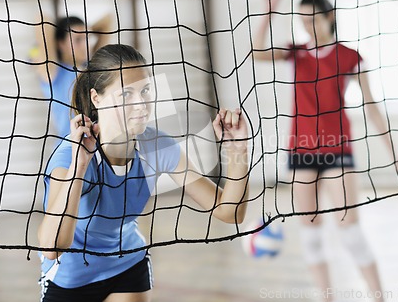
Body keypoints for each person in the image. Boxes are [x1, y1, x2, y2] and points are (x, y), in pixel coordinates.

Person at [37, 44, 250, 302]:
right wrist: (79, 167)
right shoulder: (68, 157)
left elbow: (229, 211)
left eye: (146, 90)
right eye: (126, 94)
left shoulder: (158, 146)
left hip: (126, 264)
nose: (141, 104)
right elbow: (51, 248)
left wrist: (237, 151)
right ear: (96, 98)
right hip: (70, 276)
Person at [253, 0, 398, 302]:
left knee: (350, 231)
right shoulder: (295, 52)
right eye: (302, 19)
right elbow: (257, 52)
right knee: (311, 233)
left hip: (337, 149)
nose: (307, 25)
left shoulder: (350, 57)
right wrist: (269, 10)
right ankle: (326, 298)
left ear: (330, 17)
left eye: (313, 18)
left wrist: (397, 159)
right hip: (300, 150)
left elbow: (372, 108)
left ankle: (378, 297)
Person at [31, 14, 112, 141]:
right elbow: (42, 20)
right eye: (78, 40)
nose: (86, 45)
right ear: (61, 44)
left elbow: (108, 19)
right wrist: (57, 35)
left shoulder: (90, 68)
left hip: (95, 146)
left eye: (87, 38)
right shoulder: (53, 72)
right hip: (67, 147)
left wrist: (84, 30)